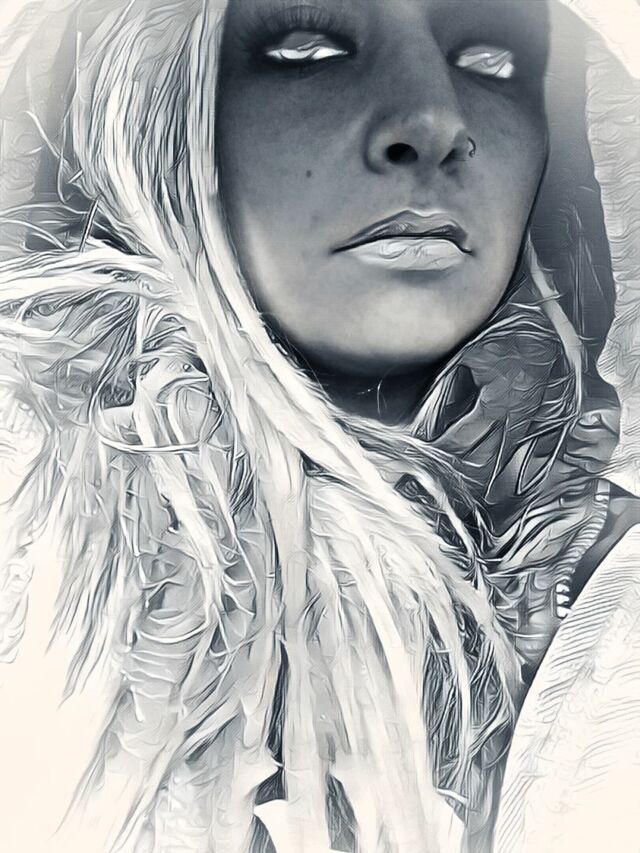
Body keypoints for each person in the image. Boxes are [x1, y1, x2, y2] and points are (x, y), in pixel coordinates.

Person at [0, 1, 638, 852]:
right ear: (164, 113)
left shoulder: (613, 602)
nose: (434, 123)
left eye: (493, 60)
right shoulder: (27, 543)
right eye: (307, 47)